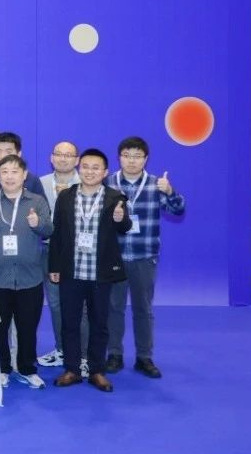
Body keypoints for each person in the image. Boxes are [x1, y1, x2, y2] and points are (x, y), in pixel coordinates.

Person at [48, 149, 131, 392]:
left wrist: (120, 218)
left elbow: (125, 227)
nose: (90, 171)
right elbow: (57, 233)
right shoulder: (66, 196)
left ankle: (97, 371)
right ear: (79, 168)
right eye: (85, 166)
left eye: (96, 168)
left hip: (100, 273)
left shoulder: (115, 197)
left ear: (105, 172)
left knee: (99, 323)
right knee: (69, 322)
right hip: (71, 271)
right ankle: (72, 369)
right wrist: (54, 266)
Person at [107, 136, 186, 378]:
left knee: (143, 309)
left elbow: (178, 210)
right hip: (114, 257)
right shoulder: (108, 183)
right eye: (127, 156)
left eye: (137, 156)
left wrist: (170, 191)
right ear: (119, 157)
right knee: (114, 308)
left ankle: (144, 357)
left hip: (144, 256)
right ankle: (114, 354)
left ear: (146, 159)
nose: (131, 161)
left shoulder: (155, 184)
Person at [0, 154, 53, 389]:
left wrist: (38, 224)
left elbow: (49, 231)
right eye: (4, 172)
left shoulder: (37, 201)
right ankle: (2, 368)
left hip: (30, 277)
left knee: (28, 327)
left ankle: (27, 368)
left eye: (15, 171)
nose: (9, 176)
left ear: (24, 175)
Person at [37, 141, 84, 370]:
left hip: (79, 252)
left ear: (77, 160)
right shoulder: (40, 183)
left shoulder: (86, 182)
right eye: (58, 154)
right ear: (51, 157)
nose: (63, 158)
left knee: (81, 305)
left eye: (68, 155)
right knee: (55, 304)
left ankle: (83, 355)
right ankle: (62, 350)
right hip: (48, 250)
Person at [0, 131, 46, 198]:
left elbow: (41, 204)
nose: (2, 156)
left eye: (8, 152)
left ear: (18, 154)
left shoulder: (32, 181)